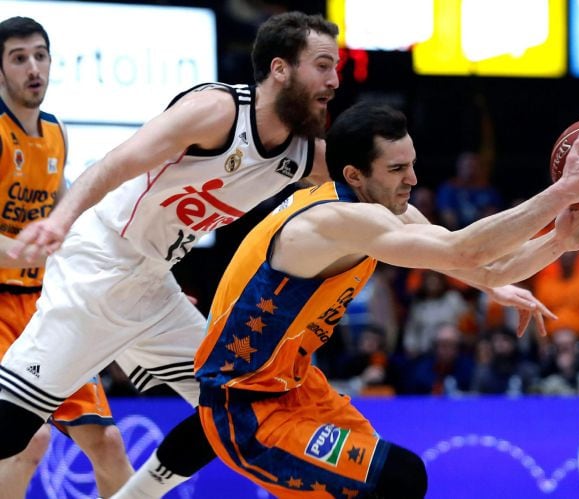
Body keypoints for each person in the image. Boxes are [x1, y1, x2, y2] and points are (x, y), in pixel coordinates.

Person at [194, 101, 579, 497]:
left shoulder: (390, 212)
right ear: (354, 176)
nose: (413, 179)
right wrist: (564, 192)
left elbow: (483, 266)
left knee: (381, 482)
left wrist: (558, 241)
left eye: (411, 164)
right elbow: (468, 251)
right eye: (396, 170)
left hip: (299, 388)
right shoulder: (330, 221)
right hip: (247, 408)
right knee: (398, 479)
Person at [0, 11, 340, 498]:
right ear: (281, 69)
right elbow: (117, 161)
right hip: (96, 266)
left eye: (336, 67)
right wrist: (59, 220)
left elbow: (378, 199)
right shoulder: (219, 111)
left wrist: (459, 253)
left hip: (151, 285)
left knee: (227, 404)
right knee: (14, 431)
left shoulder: (305, 153)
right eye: (323, 65)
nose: (334, 80)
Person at [0, 16, 134, 497]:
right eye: (18, 58)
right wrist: (23, 251)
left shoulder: (55, 133)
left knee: (110, 444)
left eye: (40, 55)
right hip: (0, 306)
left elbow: (72, 215)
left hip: (46, 307)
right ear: (0, 70)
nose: (33, 67)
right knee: (25, 439)